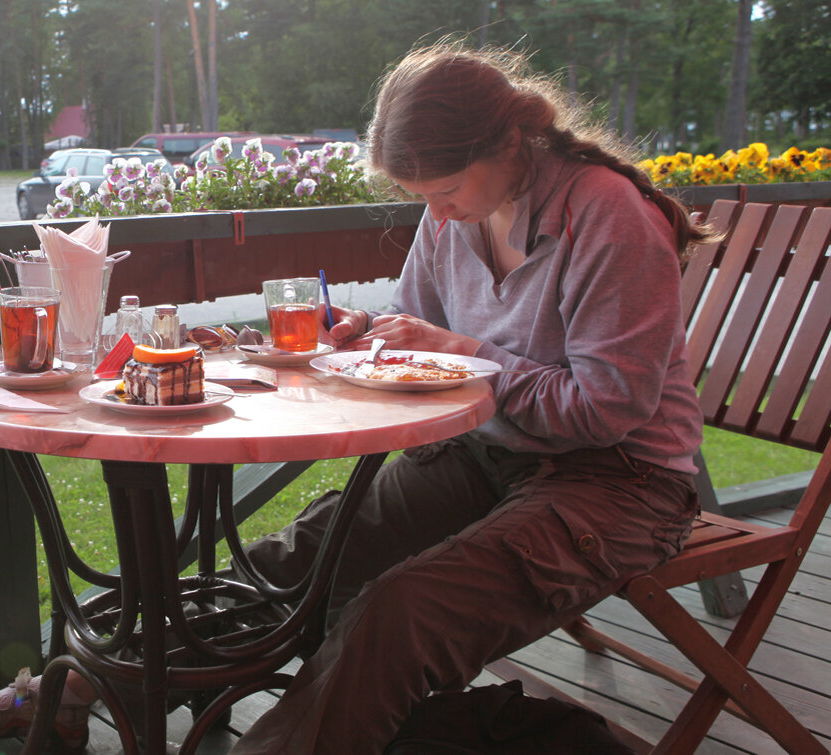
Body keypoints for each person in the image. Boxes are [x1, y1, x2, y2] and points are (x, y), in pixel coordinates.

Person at [229, 38, 707, 754]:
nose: (438, 215)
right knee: (294, 559)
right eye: (423, 198)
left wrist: (469, 356)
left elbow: (606, 408)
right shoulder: (454, 212)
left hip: (619, 485)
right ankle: (69, 689)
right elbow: (424, 335)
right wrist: (369, 336)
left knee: (397, 614)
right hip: (487, 458)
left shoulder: (610, 217)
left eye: (445, 190)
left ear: (509, 143)